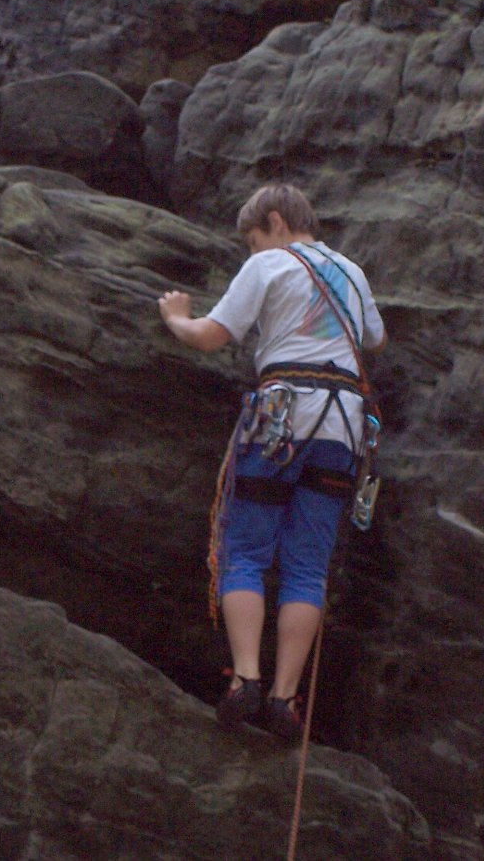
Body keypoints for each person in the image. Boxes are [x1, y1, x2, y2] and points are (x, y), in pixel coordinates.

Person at [158, 183, 386, 740]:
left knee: (246, 550)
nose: (253, 252)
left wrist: (176, 317)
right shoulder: (352, 272)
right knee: (308, 567)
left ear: (276, 222)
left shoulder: (270, 265)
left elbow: (211, 337)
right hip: (343, 426)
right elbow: (376, 340)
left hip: (282, 418)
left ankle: (246, 681)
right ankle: (285, 699)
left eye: (254, 240)